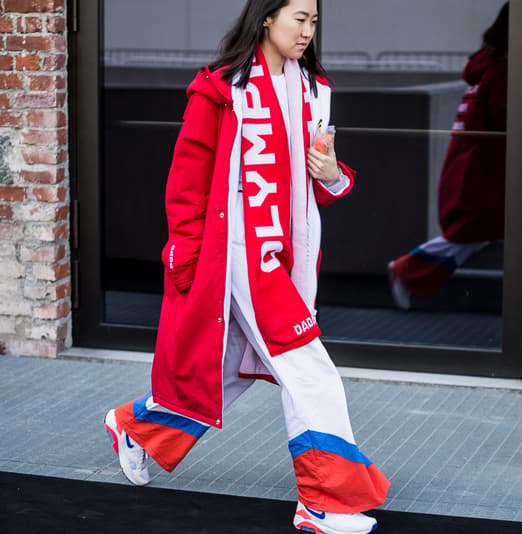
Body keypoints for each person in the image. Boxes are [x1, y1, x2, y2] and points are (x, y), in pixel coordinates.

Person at [102, 1, 389, 532]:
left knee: (230, 370)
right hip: (238, 254)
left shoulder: (311, 88)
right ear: (266, 17)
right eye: (298, 18)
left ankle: (137, 428)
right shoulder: (219, 90)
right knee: (311, 372)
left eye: (314, 22)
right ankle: (324, 503)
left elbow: (316, 184)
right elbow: (186, 185)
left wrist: (330, 171)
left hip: (286, 258)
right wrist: (184, 259)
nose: (307, 31)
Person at [388, 2, 509, 310]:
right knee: (471, 233)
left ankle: (409, 272)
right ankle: (407, 270)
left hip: (470, 166)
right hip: (483, 172)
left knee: (475, 234)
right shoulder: (503, 69)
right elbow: (505, 116)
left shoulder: (486, 65)